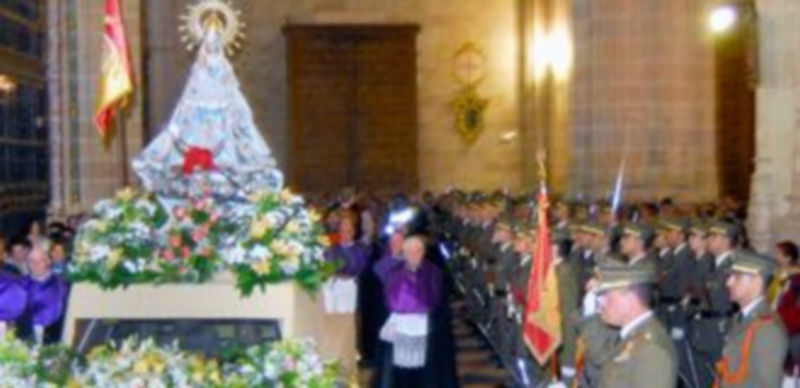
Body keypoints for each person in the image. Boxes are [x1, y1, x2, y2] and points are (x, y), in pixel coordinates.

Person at [586, 263, 678, 387]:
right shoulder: (632, 336)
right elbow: (601, 362)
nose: (602, 304)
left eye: (607, 296)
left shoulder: (651, 349)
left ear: (629, 298)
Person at [375, 235, 448, 388]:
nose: (414, 255)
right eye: (410, 252)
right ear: (404, 253)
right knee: (400, 369)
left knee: (425, 370)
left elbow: (435, 299)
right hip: (401, 326)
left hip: (425, 326)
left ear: (423, 252)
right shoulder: (394, 273)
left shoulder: (433, 272)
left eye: (418, 251)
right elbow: (390, 300)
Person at [716, 249, 787, 387]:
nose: (728, 283)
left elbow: (766, 384)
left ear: (756, 282)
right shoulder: (742, 317)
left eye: (736, 277)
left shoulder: (768, 329)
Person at [21, 248, 68, 344]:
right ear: (27, 264)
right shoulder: (20, 285)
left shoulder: (62, 284)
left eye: (40, 261)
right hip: (27, 338)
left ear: (48, 261)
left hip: (56, 336)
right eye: (32, 261)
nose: (36, 265)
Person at [773, 241, 800, 386]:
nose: (775, 256)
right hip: (780, 326)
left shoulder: (796, 279)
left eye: (778, 253)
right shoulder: (782, 276)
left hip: (791, 330)